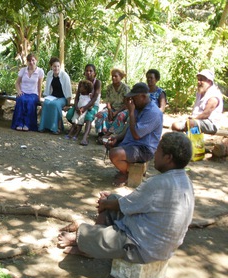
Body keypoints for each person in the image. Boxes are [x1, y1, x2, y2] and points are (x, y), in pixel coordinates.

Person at [57, 132, 195, 264]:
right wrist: (110, 201)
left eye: (158, 151)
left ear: (168, 158)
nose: (154, 155)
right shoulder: (186, 182)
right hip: (162, 248)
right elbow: (134, 203)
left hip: (141, 249)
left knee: (94, 222)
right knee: (112, 198)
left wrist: (106, 204)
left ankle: (85, 243)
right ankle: (91, 242)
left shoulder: (158, 183)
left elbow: (126, 205)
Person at [107, 82, 163, 187]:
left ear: (143, 96)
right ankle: (127, 169)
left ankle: (127, 173)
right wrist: (117, 138)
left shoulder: (153, 112)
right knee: (110, 143)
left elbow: (136, 134)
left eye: (134, 98)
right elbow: (129, 128)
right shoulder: (139, 108)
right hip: (132, 143)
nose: (132, 101)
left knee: (114, 153)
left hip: (144, 148)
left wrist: (131, 112)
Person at [171, 69, 223, 134]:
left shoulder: (213, 95)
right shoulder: (200, 92)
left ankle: (193, 143)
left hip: (211, 123)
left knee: (191, 123)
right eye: (198, 79)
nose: (199, 82)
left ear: (209, 81)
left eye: (201, 80)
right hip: (197, 120)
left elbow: (206, 114)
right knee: (175, 125)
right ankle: (182, 142)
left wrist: (193, 118)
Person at [66, 64, 102, 145]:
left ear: (94, 73)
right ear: (84, 73)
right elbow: (77, 97)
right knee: (70, 114)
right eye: (87, 71)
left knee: (89, 117)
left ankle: (85, 137)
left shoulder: (97, 83)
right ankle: (77, 126)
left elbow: (94, 98)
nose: (88, 73)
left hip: (92, 105)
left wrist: (85, 108)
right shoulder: (81, 83)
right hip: (80, 105)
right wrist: (76, 107)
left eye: (91, 71)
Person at [94, 68, 130, 143]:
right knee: (100, 114)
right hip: (111, 108)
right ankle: (101, 133)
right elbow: (108, 101)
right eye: (112, 76)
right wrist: (110, 110)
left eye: (116, 76)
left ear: (121, 77)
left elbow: (126, 104)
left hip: (123, 109)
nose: (113, 78)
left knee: (120, 116)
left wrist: (116, 112)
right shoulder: (109, 87)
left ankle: (108, 135)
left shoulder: (125, 88)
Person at [38, 57, 72, 134]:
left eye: (58, 66)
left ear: (60, 66)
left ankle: (57, 127)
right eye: (54, 66)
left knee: (55, 104)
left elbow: (68, 91)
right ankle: (44, 126)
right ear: (51, 67)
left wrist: (68, 104)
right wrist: (46, 97)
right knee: (46, 103)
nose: (56, 68)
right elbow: (48, 88)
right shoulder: (50, 74)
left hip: (63, 97)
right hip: (52, 96)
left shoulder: (64, 76)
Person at [11, 53, 44, 131]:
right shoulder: (23, 70)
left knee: (30, 102)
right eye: (29, 61)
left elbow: (39, 86)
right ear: (27, 62)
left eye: (33, 60)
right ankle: (19, 123)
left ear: (36, 60)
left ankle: (28, 124)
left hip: (33, 94)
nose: (31, 62)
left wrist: (39, 97)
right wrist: (19, 91)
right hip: (23, 92)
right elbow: (17, 83)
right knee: (21, 100)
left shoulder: (40, 71)